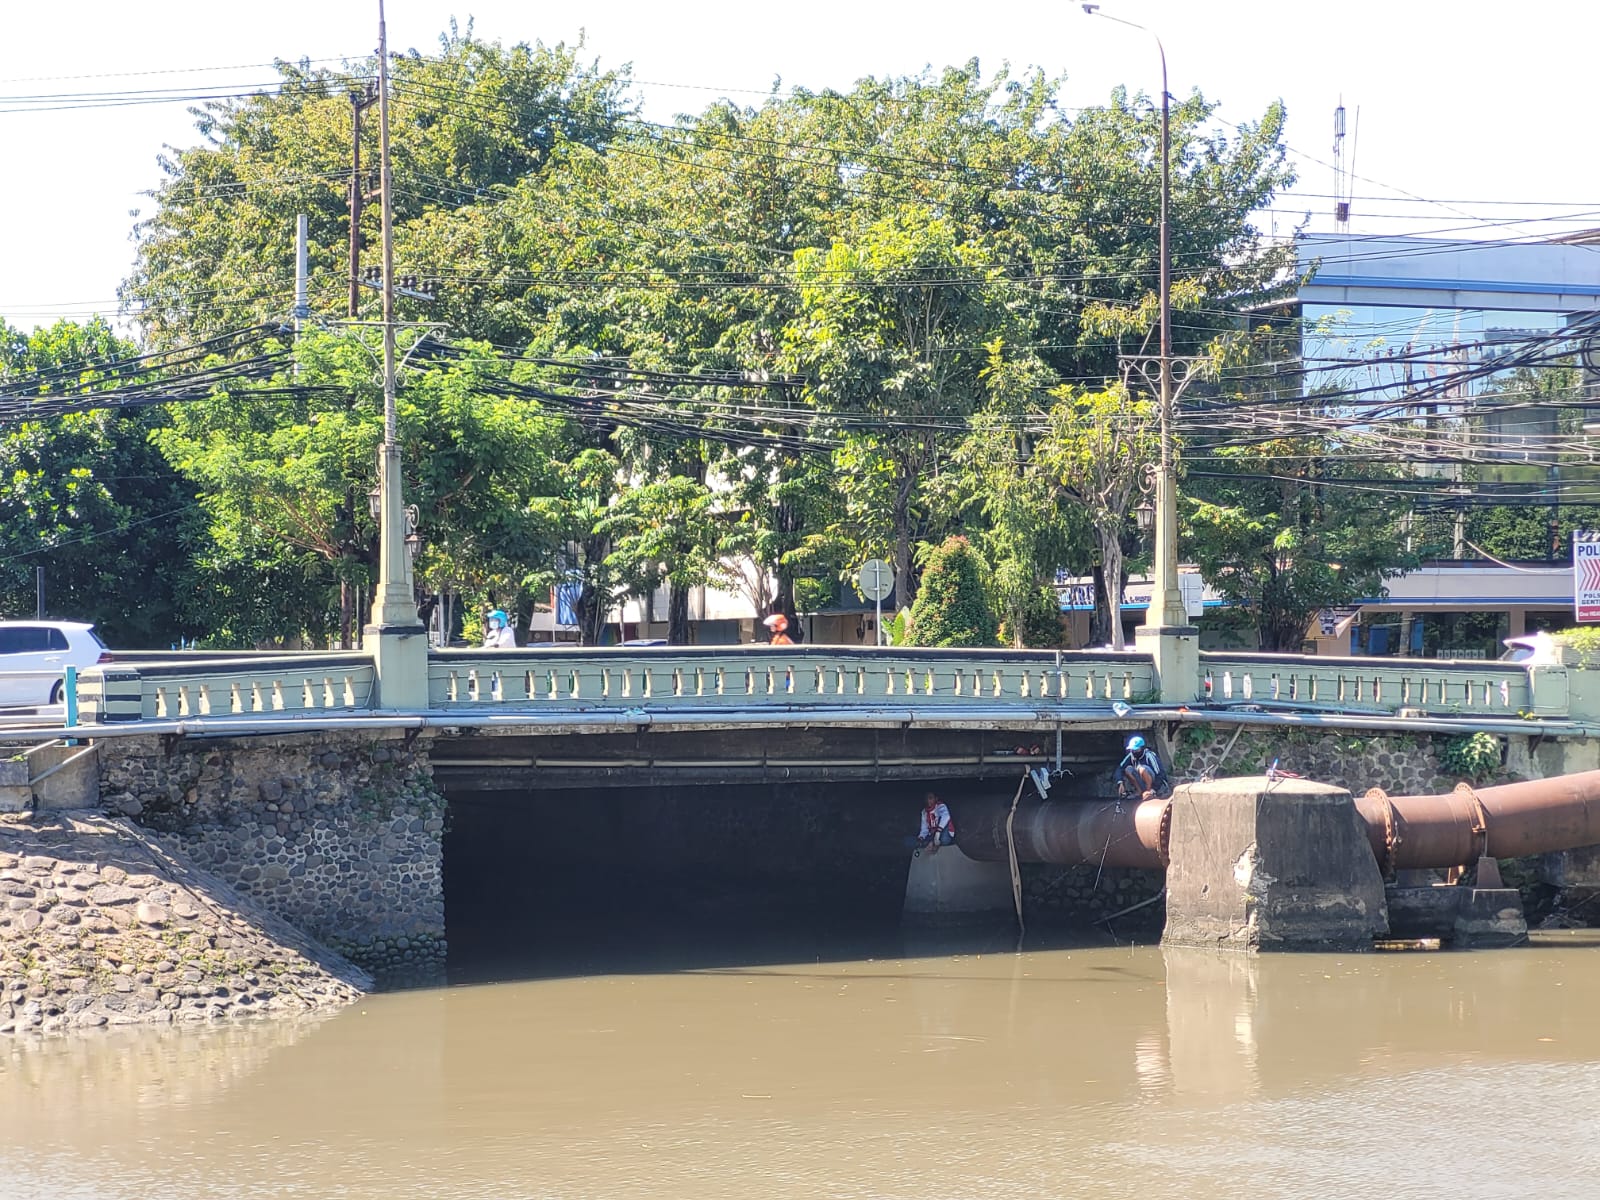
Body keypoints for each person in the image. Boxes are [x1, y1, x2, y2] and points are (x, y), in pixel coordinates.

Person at [1116, 735, 1169, 801]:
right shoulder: (1131, 755)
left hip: (1154, 782)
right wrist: (1120, 782)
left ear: (1142, 748)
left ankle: (1149, 792)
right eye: (1133, 749)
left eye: (1136, 749)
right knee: (1128, 769)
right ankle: (1139, 791)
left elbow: (1161, 773)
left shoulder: (1149, 755)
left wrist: (1154, 788)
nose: (1134, 752)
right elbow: (1120, 768)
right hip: (1141, 780)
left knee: (1142, 769)